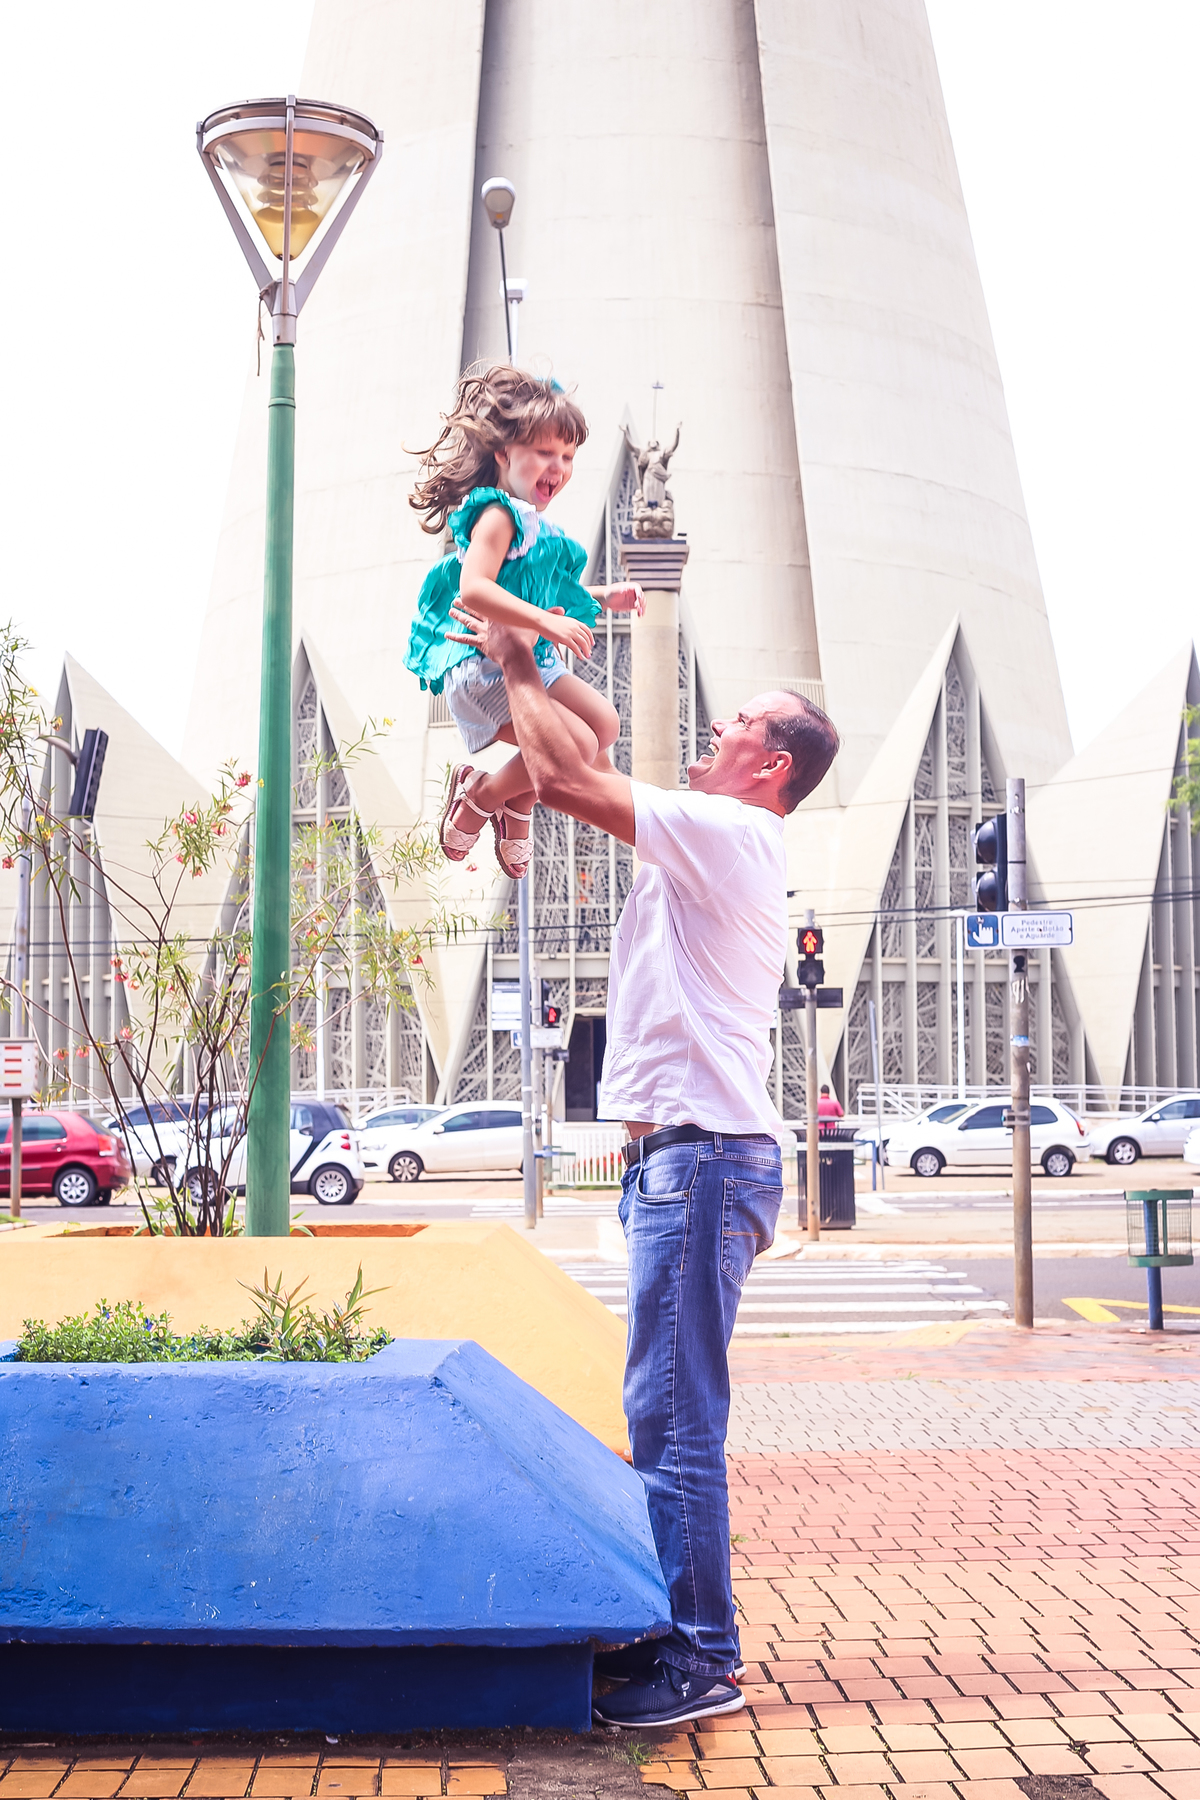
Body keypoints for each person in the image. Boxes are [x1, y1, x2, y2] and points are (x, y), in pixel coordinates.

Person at [446, 598, 840, 1729]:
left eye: (740, 723)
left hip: (703, 1160)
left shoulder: (735, 834)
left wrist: (516, 657)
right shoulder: (709, 833)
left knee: (674, 1417)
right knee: (667, 1410)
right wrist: (508, 763)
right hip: (688, 1161)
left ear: (772, 764)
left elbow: (570, 779)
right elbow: (570, 768)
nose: (718, 728)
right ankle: (678, 1634)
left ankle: (702, 1658)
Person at [405, 365, 643, 877]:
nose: (558, 467)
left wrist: (605, 597)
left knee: (604, 724)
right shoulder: (497, 516)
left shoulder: (539, 526)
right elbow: (475, 586)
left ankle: (517, 801)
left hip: (532, 659)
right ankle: (483, 794)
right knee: (577, 745)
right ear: (503, 453)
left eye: (567, 457)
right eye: (544, 453)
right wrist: (548, 624)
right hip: (487, 665)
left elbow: (538, 591)